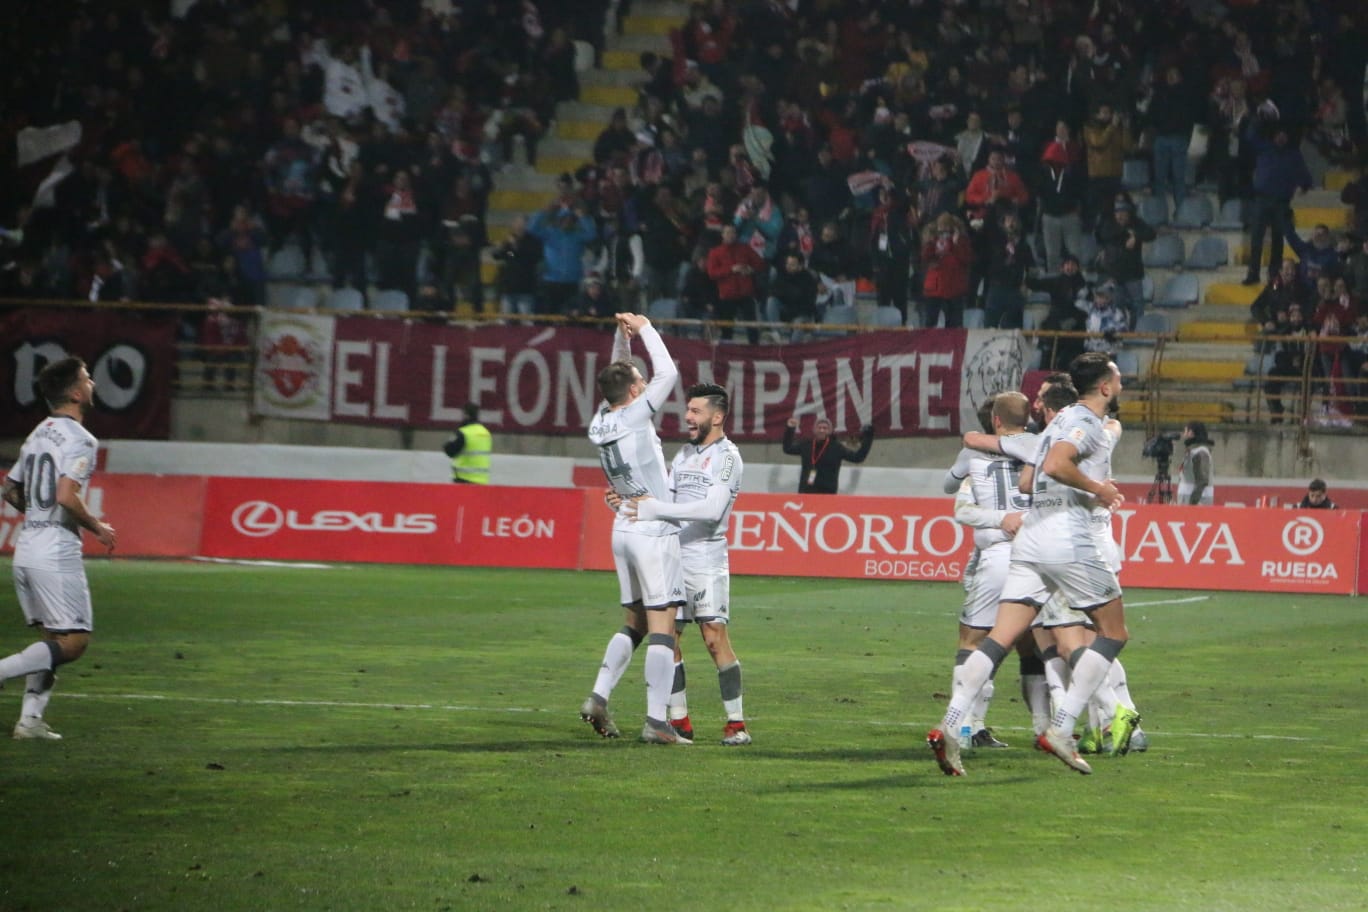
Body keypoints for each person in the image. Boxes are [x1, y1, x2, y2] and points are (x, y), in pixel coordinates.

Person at [928, 352, 1131, 776]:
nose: (1122, 383)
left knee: (998, 638)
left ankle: (951, 724)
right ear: (1106, 387)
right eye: (1118, 377)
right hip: (1067, 539)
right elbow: (1056, 464)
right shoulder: (1085, 423)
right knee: (1112, 632)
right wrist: (1098, 489)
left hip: (1030, 539)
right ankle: (1062, 727)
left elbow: (1028, 475)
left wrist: (979, 441)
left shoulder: (1059, 421)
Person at [622, 383, 751, 746]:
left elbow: (711, 512)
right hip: (674, 555)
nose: (688, 417)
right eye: (688, 410)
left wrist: (655, 507)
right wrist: (630, 499)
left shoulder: (727, 458)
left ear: (717, 416)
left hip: (707, 558)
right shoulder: (683, 455)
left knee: (713, 638)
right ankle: (680, 721)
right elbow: (664, 499)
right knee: (670, 638)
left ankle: (736, 724)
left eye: (695, 411)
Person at [580, 313, 688, 744]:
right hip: (653, 529)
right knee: (664, 625)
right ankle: (657, 722)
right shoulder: (635, 415)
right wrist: (644, 329)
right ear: (636, 392)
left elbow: (617, 375)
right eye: (640, 382)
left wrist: (619, 338)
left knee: (635, 622)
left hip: (622, 528)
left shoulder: (601, 420)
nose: (647, 384)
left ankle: (598, 697)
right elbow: (669, 371)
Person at [0, 357, 117, 740]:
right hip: (54, 551)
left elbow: (9, 488)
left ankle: (30, 720)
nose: (92, 383)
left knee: (52, 640)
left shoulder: (38, 433)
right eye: (87, 378)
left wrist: (35, 512)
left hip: (27, 545)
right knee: (74, 642)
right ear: (75, 392)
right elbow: (67, 495)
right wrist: (97, 526)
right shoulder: (81, 439)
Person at [782, 416, 874, 494]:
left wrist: (868, 437)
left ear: (829, 431)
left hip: (827, 493)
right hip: (806, 491)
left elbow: (857, 458)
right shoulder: (806, 445)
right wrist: (790, 429)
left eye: (825, 428)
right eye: (819, 427)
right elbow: (788, 449)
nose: (822, 430)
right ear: (814, 429)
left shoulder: (836, 448)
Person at [443, 403, 492, 484]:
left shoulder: (464, 432)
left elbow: (449, 450)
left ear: (466, 415)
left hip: (464, 480)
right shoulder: (486, 433)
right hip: (482, 481)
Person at [1176, 422, 1215, 506]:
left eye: (1185, 432)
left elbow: (1202, 480)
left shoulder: (1200, 452)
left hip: (1197, 502)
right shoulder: (1193, 451)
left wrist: (1192, 503)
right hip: (1190, 500)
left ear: (1191, 433)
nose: (1184, 435)